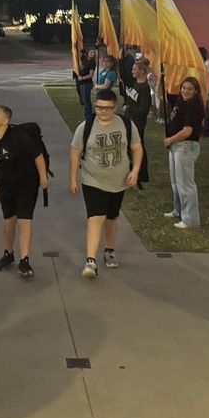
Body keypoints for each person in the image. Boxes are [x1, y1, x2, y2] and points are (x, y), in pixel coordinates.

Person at [69, 89, 143, 277]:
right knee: (96, 217)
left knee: (112, 217)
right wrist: (72, 179)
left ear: (115, 107)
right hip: (92, 179)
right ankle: (90, 261)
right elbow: (75, 154)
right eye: (99, 107)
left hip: (119, 180)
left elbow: (136, 148)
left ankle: (109, 249)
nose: (102, 111)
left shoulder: (126, 124)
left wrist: (135, 171)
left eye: (107, 108)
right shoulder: (86, 127)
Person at [0, 105, 49, 278]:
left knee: (24, 221)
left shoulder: (19, 137)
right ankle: (8, 254)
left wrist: (43, 178)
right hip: (6, 185)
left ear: (5, 120)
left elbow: (38, 156)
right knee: (8, 220)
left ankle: (24, 260)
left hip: (26, 184)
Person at [163, 76, 205, 229]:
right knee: (176, 182)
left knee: (186, 184)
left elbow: (187, 131)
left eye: (189, 89)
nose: (185, 91)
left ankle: (190, 219)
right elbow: (164, 92)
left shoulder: (193, 107)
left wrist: (171, 139)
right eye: (184, 88)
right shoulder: (181, 103)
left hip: (185, 146)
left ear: (196, 91)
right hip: (176, 146)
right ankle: (178, 210)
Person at [123, 58, 152, 184]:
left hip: (138, 122)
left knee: (139, 147)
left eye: (135, 69)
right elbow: (123, 75)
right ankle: (133, 170)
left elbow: (143, 109)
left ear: (142, 71)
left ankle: (142, 173)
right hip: (131, 120)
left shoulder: (144, 88)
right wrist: (121, 59)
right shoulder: (135, 83)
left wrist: (129, 108)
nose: (132, 71)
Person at [76, 48, 97, 121]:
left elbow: (91, 75)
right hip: (82, 83)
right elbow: (78, 54)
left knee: (87, 100)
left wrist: (83, 78)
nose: (92, 53)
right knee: (84, 100)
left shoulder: (92, 62)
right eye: (91, 52)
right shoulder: (85, 60)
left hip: (87, 83)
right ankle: (86, 116)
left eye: (93, 52)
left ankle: (89, 116)